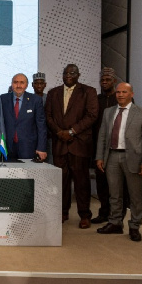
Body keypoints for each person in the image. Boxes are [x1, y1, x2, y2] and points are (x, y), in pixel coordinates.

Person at [95, 83, 142, 242]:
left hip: (133, 158)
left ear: (131, 94)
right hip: (112, 157)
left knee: (135, 196)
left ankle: (134, 226)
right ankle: (115, 223)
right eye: (118, 92)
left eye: (124, 92)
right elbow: (102, 136)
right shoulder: (108, 112)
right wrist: (99, 157)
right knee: (114, 194)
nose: (120, 94)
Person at [45, 64, 98, 229]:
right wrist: (59, 132)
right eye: (65, 73)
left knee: (81, 181)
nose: (68, 75)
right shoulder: (53, 93)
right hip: (60, 143)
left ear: (78, 75)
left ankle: (84, 214)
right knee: (61, 181)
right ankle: (62, 212)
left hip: (79, 143)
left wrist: (72, 131)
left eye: (72, 73)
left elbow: (92, 115)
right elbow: (48, 116)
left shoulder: (88, 91)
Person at [91, 68, 127, 224]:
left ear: (114, 81)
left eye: (107, 80)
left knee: (118, 185)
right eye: (102, 80)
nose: (104, 82)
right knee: (101, 183)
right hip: (99, 147)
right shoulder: (96, 99)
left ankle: (117, 216)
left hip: (118, 148)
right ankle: (104, 212)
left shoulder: (121, 99)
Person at [1, 73, 47, 161]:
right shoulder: (3, 99)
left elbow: (41, 126)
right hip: (7, 147)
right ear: (11, 84)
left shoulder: (35, 100)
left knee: (27, 174)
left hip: (28, 147)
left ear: (26, 85)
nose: (18, 85)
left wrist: (41, 148)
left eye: (22, 83)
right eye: (15, 82)